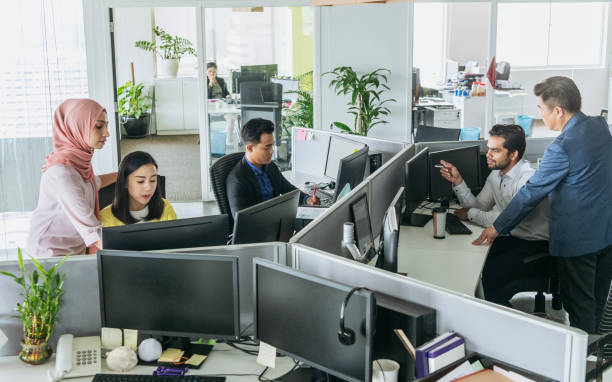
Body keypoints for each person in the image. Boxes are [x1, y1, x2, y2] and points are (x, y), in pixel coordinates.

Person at [473, 76, 612, 333]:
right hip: (605, 235)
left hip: (578, 242)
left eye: (541, 109)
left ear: (558, 111)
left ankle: (581, 366)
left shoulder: (561, 147)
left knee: (580, 310)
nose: (540, 114)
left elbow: (531, 193)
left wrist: (497, 227)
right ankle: (594, 360)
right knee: (595, 306)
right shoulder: (599, 125)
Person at [439, 124, 549, 306]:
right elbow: (479, 206)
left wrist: (471, 214)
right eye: (489, 149)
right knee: (472, 260)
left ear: (513, 154)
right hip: (513, 238)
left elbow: (505, 220)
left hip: (537, 246)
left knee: (492, 276)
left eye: (495, 151)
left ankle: (504, 324)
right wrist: (458, 181)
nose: (488, 155)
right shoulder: (496, 175)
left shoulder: (526, 179)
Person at [26, 99, 117, 257]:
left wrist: (124, 174)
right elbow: (92, 229)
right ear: (78, 127)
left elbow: (93, 183)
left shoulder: (79, 164)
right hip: (48, 256)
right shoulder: (62, 173)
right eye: (98, 126)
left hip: (71, 253)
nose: (106, 133)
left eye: (106, 125)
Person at [226, 118, 319, 215]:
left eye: (272, 146)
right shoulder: (237, 180)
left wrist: (307, 199)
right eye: (267, 147)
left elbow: (288, 189)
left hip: (279, 220)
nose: (272, 151)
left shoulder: (270, 166)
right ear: (250, 148)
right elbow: (241, 220)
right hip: (259, 227)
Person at [100, 151, 177, 227]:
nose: (148, 187)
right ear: (125, 182)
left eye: (152, 180)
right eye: (140, 181)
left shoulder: (165, 208)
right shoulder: (104, 218)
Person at [207, 62, 235, 145]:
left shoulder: (221, 80)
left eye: (214, 71)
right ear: (206, 72)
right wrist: (210, 84)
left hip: (223, 107)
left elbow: (226, 93)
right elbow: (206, 97)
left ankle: (228, 140)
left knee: (231, 118)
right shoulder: (204, 81)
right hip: (211, 108)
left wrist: (230, 96)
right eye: (210, 71)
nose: (212, 73)